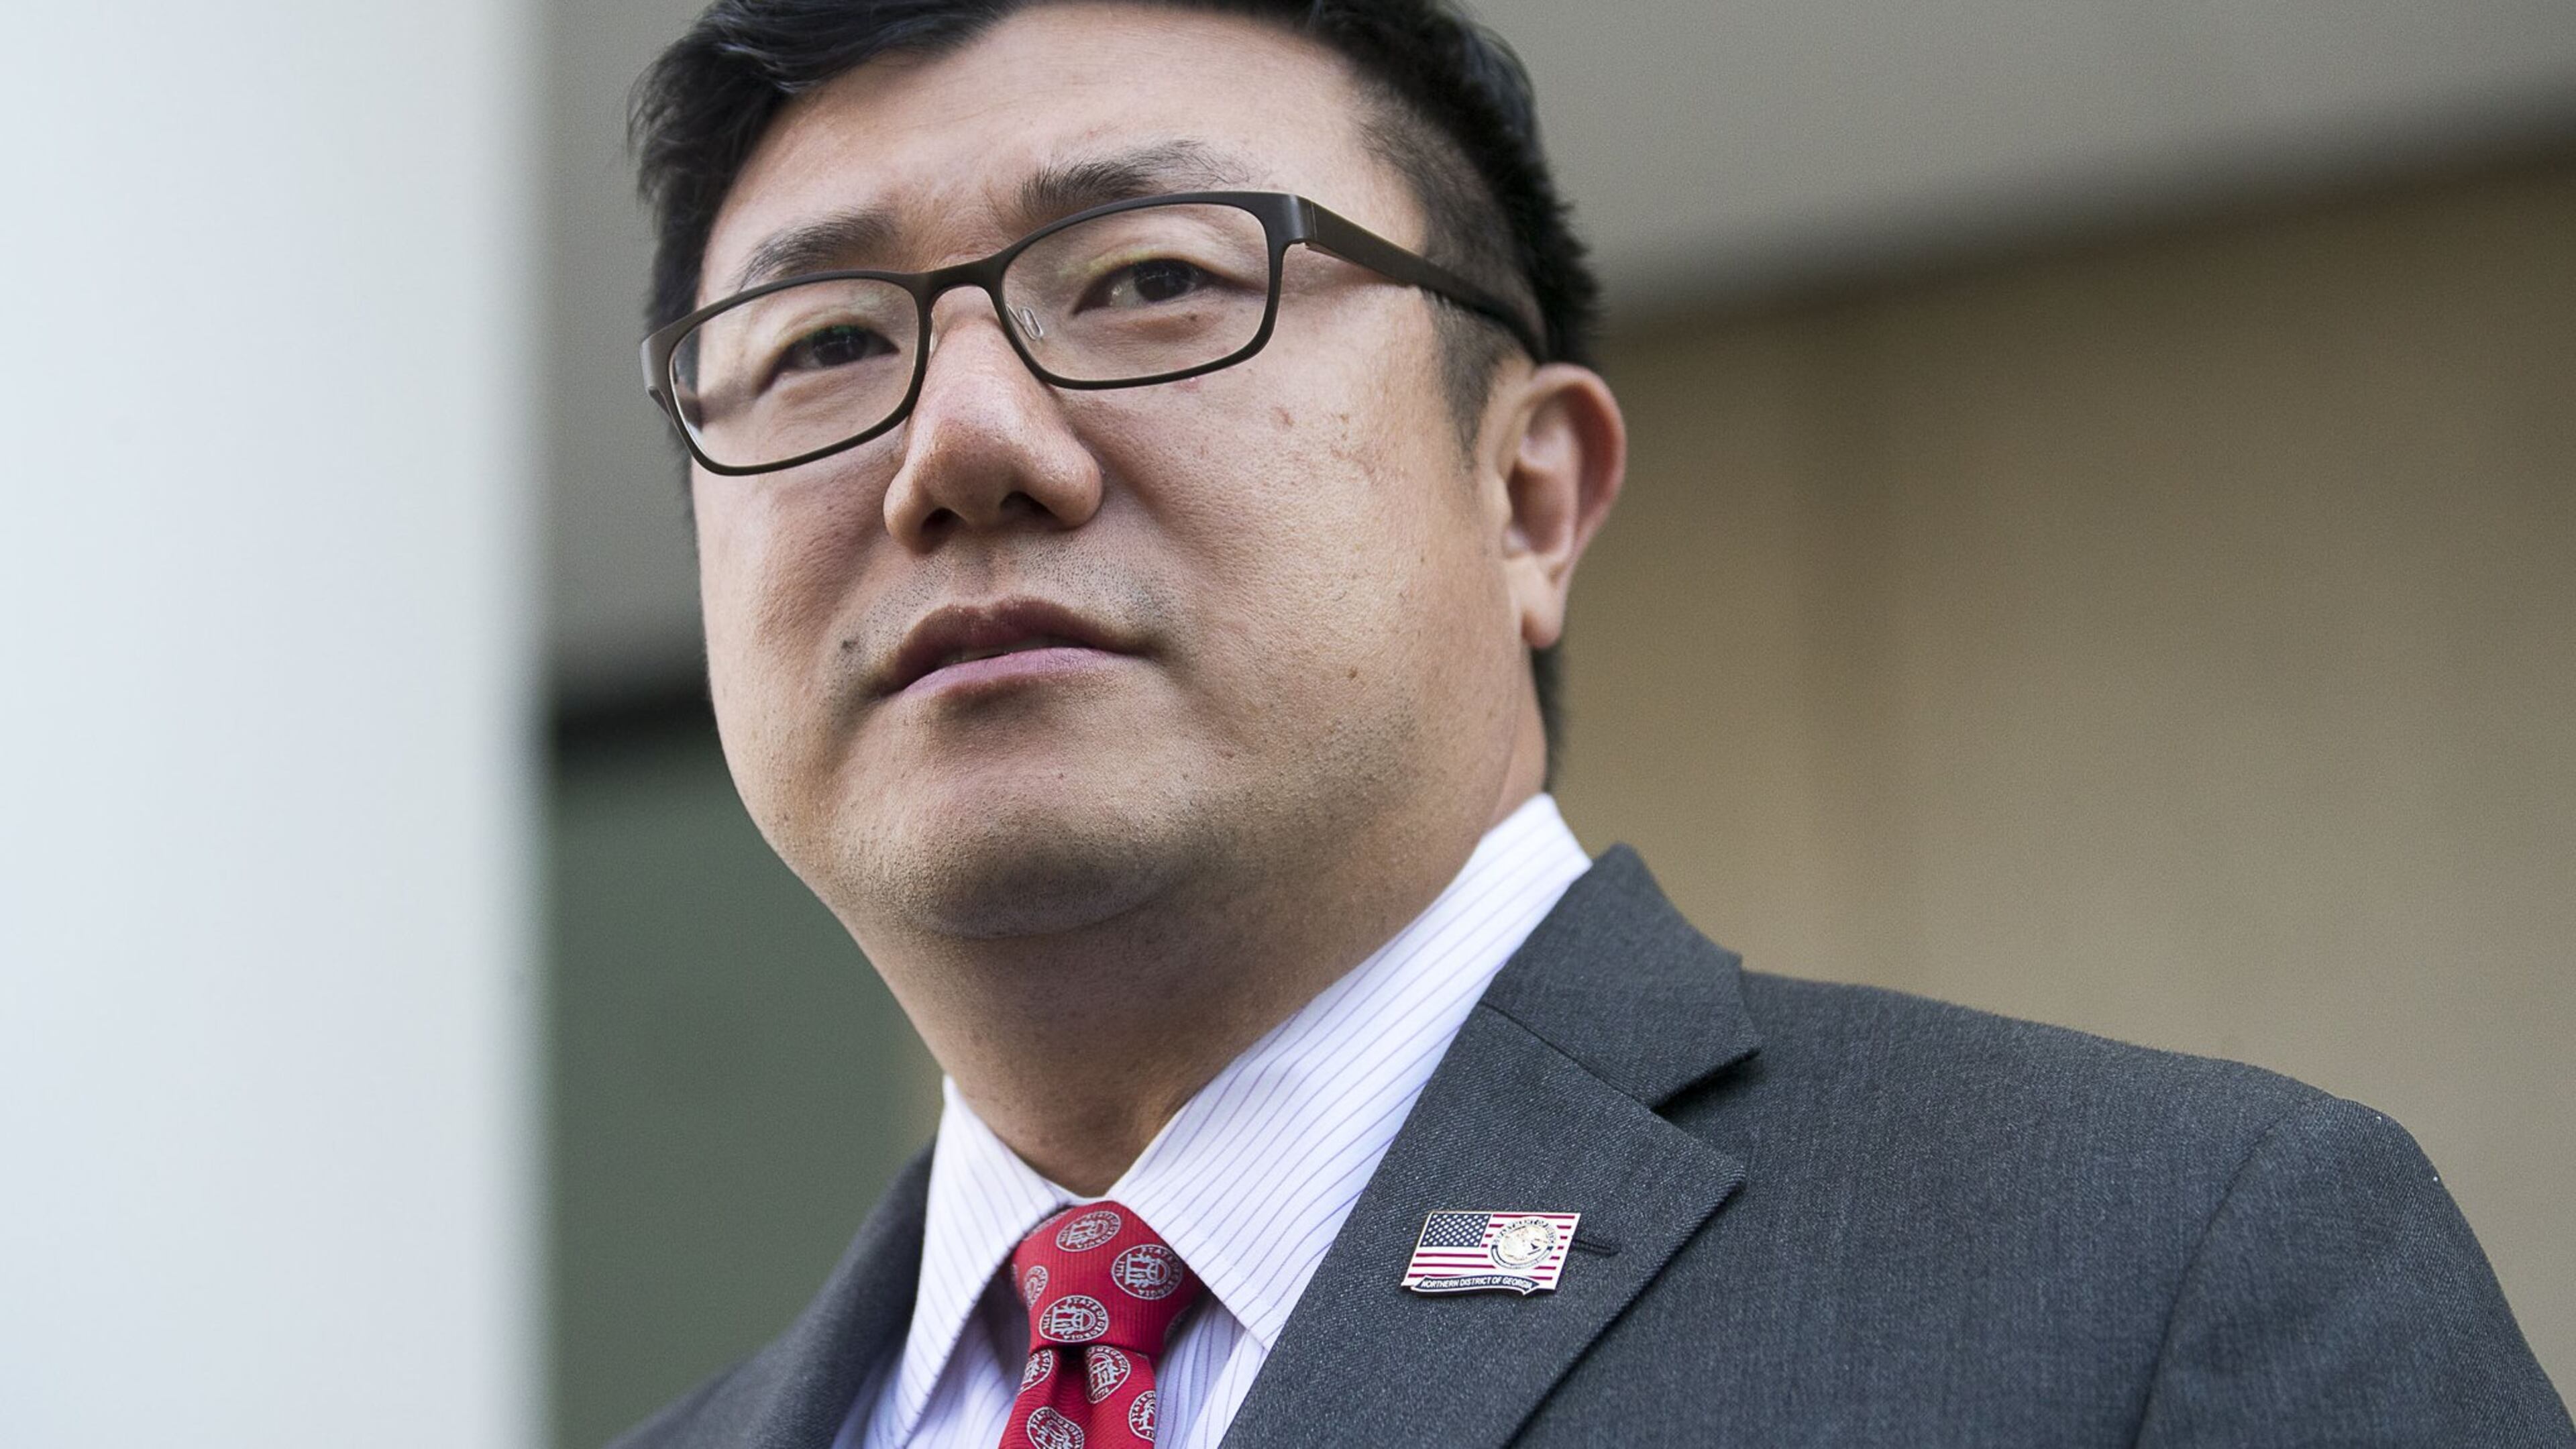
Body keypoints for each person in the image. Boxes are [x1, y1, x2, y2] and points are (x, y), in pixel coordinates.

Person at [611, 2, 2573, 1445]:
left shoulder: (2160, 1273)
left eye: (1146, 279)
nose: (960, 446)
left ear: (1529, 497)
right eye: (823, 345)